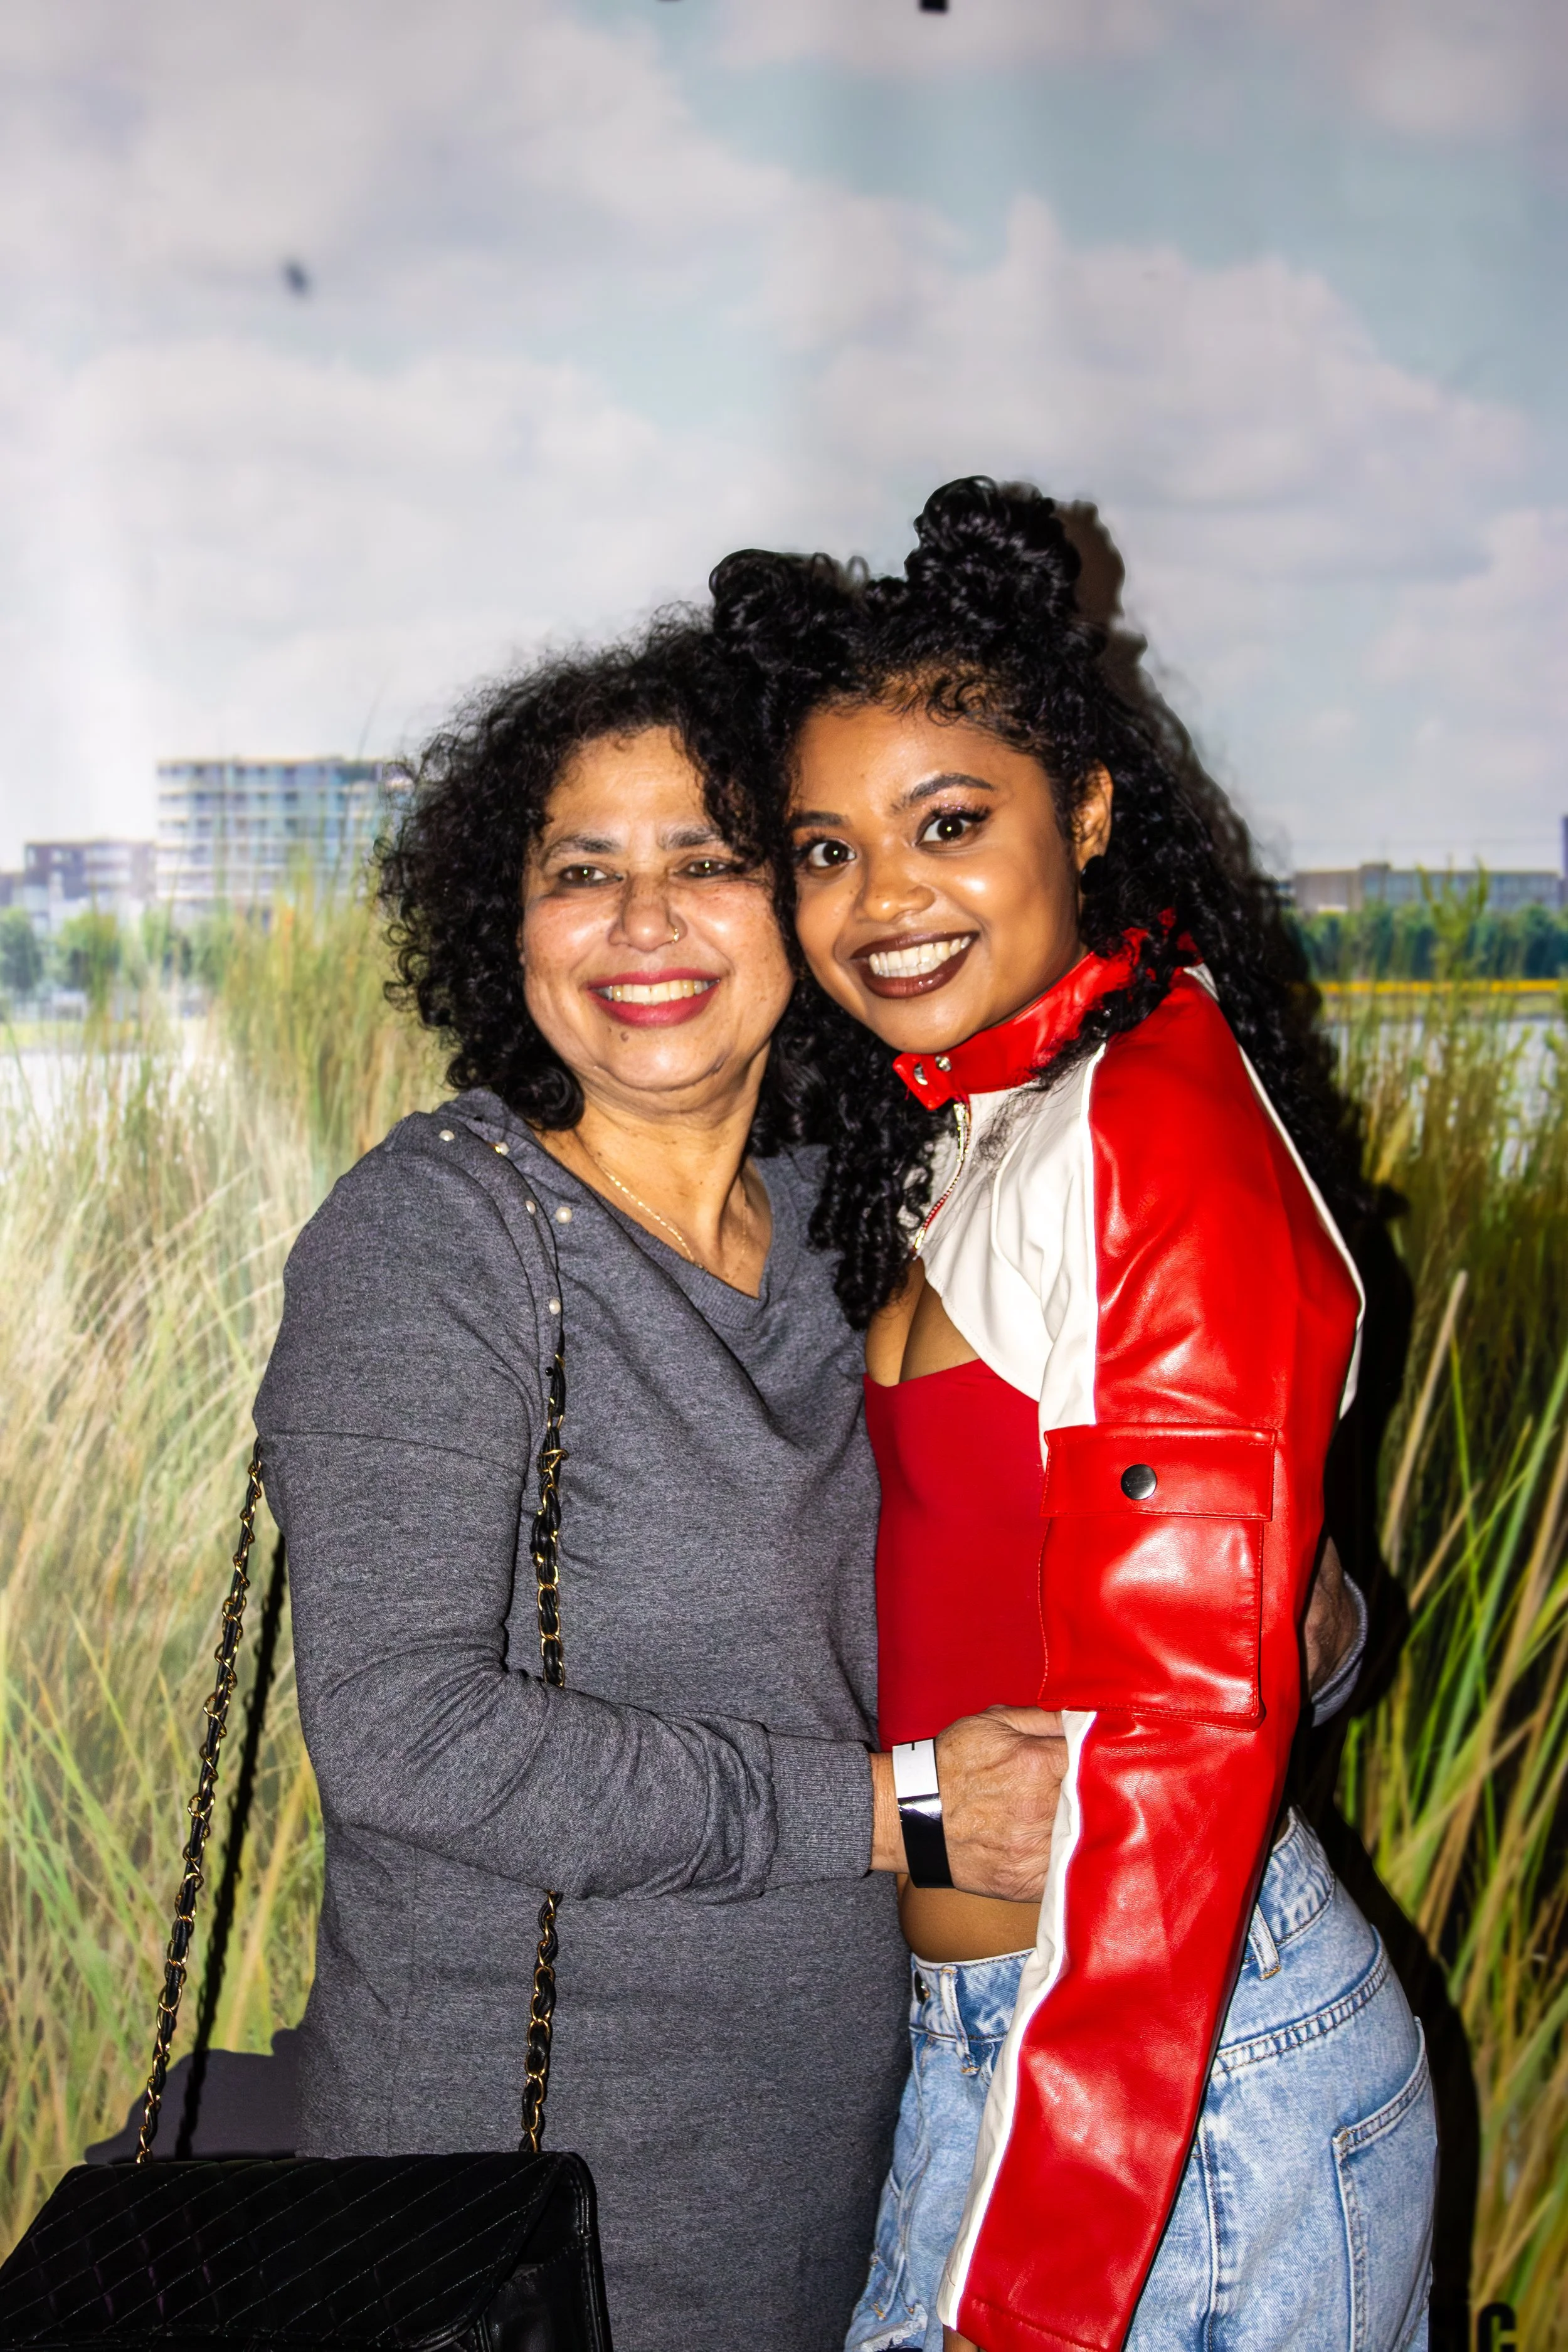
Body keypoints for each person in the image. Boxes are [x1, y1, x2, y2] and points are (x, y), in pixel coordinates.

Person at [252, 620, 1071, 2352]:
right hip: (508, 2207)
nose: (642, 922)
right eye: (583, 870)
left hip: (844, 2165)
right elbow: (402, 1729)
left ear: (797, 903)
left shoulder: (875, 1220)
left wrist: (1294, 1612)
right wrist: (892, 1810)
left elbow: (1045, 1555)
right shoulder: (439, 1239)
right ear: (511, 920)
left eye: (705, 859)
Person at [710, 480, 1438, 2352]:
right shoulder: (1009, 1114)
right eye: (825, 849)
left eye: (946, 825)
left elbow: (1183, 1739)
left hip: (1165, 2092)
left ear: (1087, 810)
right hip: (1026, 2043)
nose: (880, 901)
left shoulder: (1150, 1129)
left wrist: (1037, 2282)